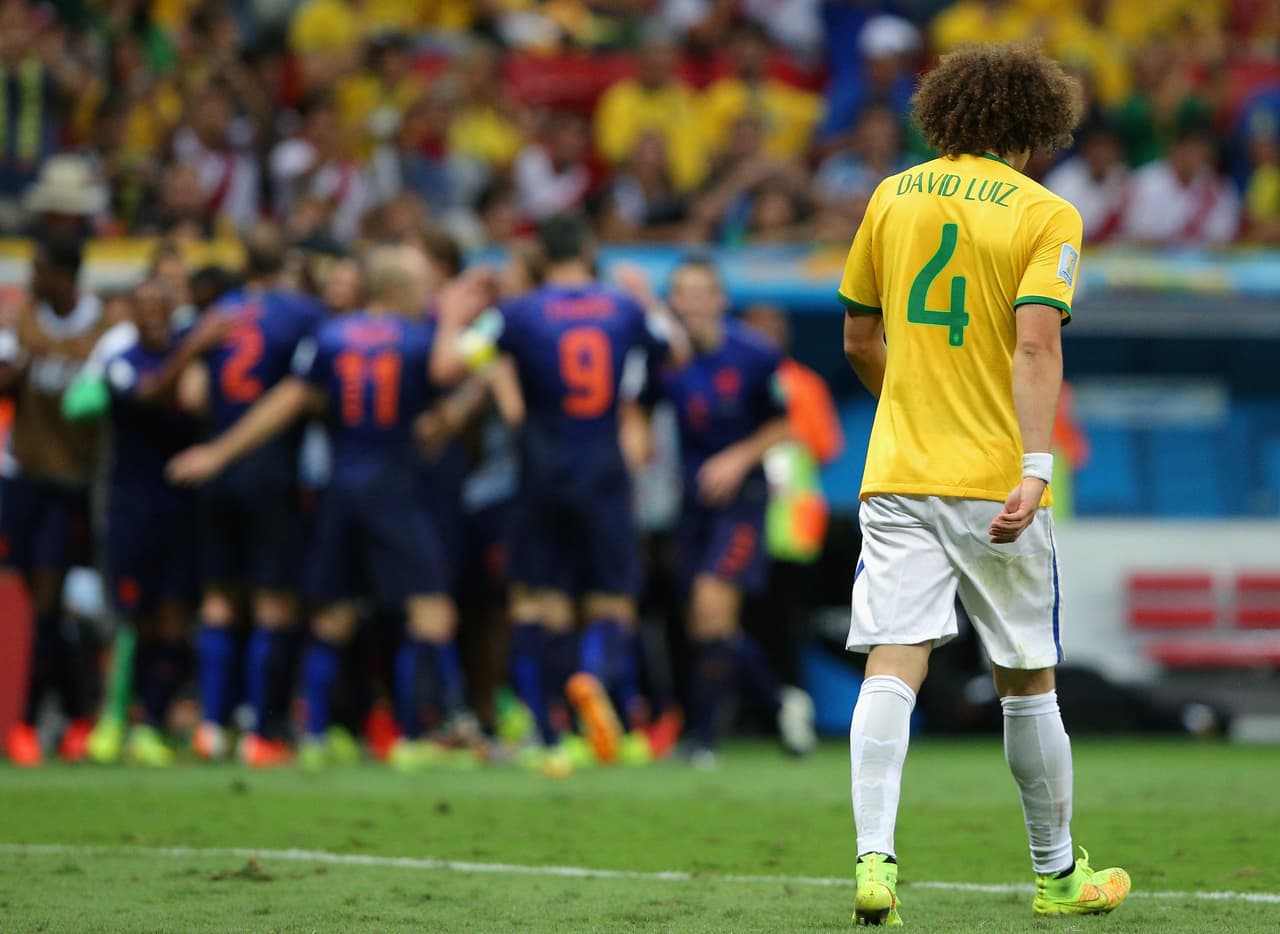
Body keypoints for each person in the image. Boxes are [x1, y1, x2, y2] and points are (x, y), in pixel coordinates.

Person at [837, 43, 1130, 924]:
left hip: (897, 472)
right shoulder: (1047, 215)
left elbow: (858, 338)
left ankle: (874, 860)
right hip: (993, 478)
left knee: (894, 663)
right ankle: (1056, 877)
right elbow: (1036, 343)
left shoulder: (892, 195)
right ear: (1036, 129)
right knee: (1026, 676)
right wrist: (1036, 469)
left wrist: (917, 405)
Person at [168, 244, 471, 770]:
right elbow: (448, 383)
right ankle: (414, 734)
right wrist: (458, 327)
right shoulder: (420, 340)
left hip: (339, 487)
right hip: (394, 490)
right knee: (431, 612)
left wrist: (219, 451)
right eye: (422, 285)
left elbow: (288, 401)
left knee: (331, 615)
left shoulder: (331, 337)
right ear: (399, 290)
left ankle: (309, 736)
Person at [431, 214, 685, 768]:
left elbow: (449, 364)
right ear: (590, 247)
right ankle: (592, 678)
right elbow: (677, 351)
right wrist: (649, 300)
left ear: (541, 256)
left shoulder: (518, 314)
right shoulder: (621, 309)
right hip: (604, 467)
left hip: (542, 469)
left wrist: (452, 318)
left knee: (535, 598)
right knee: (611, 597)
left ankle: (547, 731)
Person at [653, 260, 815, 767]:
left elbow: (781, 426)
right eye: (684, 294)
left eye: (703, 293)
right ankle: (779, 701)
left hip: (743, 500)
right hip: (692, 504)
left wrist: (736, 458)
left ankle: (703, 739)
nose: (694, 303)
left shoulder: (754, 353)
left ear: (720, 300)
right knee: (706, 625)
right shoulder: (666, 358)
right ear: (674, 302)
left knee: (710, 605)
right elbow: (640, 407)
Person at [177, 222, 325, 767]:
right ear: (284, 262)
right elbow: (314, 389)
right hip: (270, 469)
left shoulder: (218, 312)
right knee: (272, 604)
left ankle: (212, 727)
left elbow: (194, 396)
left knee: (218, 600)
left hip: (214, 467)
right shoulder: (303, 314)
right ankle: (261, 731)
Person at [63, 277, 200, 767]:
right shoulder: (121, 363)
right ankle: (114, 716)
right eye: (141, 306)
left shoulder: (190, 363)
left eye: (159, 304)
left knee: (173, 616)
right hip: (129, 507)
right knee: (129, 619)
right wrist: (192, 350)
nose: (151, 314)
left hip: (181, 507)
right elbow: (147, 395)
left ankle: (153, 723)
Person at [0, 235, 113, 766]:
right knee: (44, 599)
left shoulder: (103, 329)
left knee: (59, 600)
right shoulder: (21, 322)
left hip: (76, 484)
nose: (32, 279)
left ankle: (29, 721)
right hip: (25, 478)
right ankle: (75, 715)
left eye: (41, 269)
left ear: (66, 276)